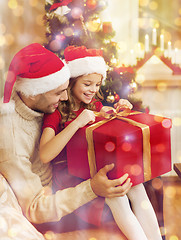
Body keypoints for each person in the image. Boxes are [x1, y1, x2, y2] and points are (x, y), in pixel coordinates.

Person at [0, 43, 132, 237]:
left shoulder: (40, 105)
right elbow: (36, 208)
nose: (64, 97)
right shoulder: (11, 140)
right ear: (35, 91)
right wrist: (92, 188)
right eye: (57, 92)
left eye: (65, 89)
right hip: (53, 207)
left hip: (69, 176)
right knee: (117, 204)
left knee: (131, 188)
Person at [39, 45, 163, 240]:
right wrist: (78, 122)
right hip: (70, 175)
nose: (93, 90)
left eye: (97, 85)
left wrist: (121, 110)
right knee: (117, 196)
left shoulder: (94, 105)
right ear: (71, 82)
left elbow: (107, 128)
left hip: (94, 167)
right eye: (87, 84)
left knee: (135, 185)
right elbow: (45, 154)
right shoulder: (56, 111)